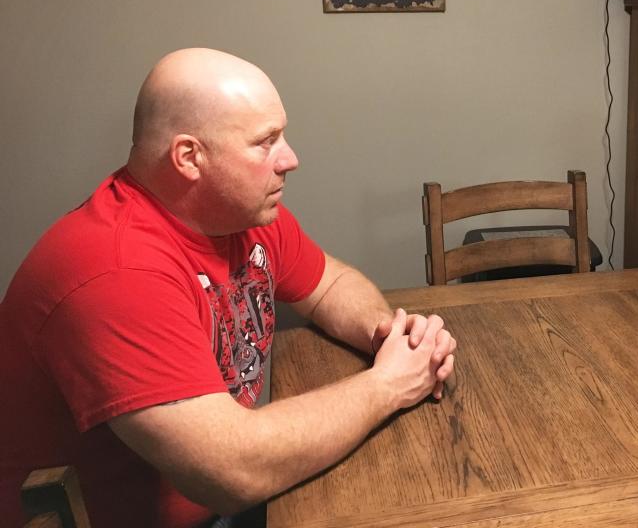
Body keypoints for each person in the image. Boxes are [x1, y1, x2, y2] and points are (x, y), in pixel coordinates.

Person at [0, 48, 457, 528]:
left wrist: (389, 337)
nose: (291, 159)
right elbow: (231, 472)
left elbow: (330, 283)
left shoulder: (237, 215)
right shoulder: (115, 272)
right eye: (266, 142)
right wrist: (389, 385)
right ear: (189, 157)